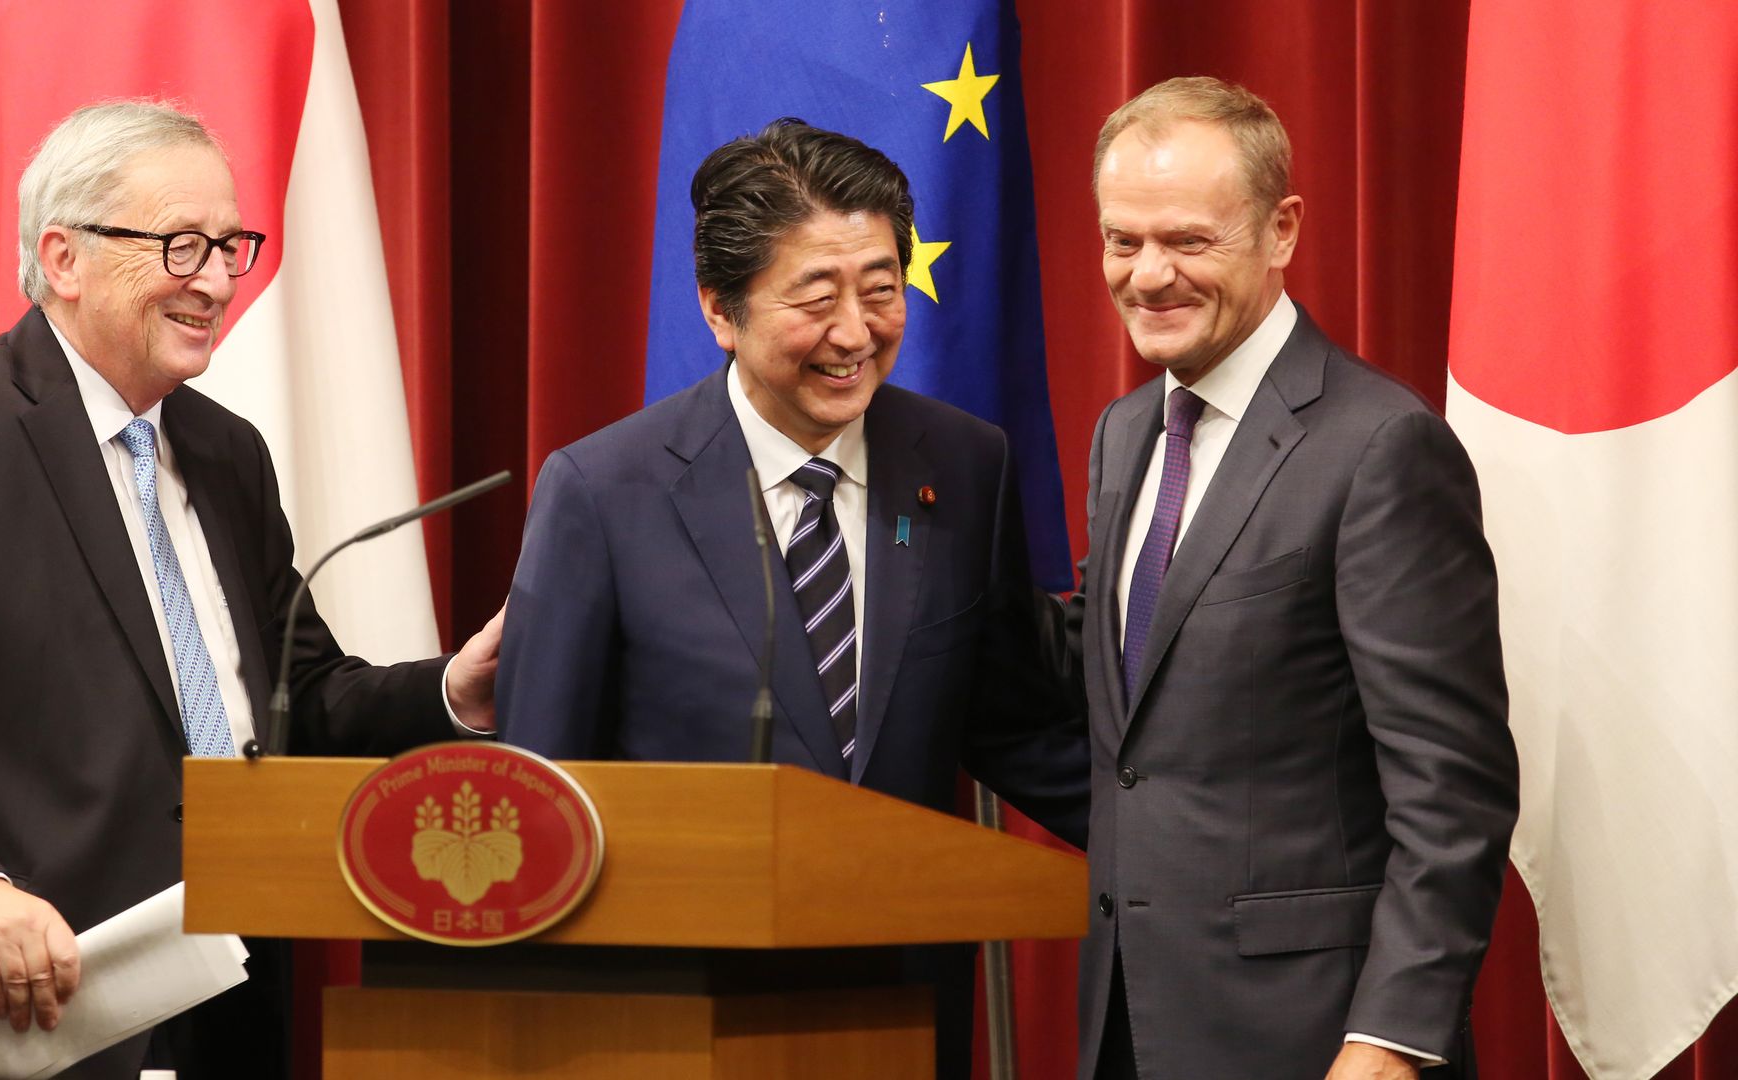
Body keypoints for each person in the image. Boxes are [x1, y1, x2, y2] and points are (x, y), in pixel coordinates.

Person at [0, 100, 498, 1080]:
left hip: (224, 994)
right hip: (12, 1011)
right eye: (183, 247)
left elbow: (294, 699)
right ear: (63, 257)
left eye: (232, 246)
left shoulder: (226, 452)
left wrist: (450, 693)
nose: (219, 282)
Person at [495, 118, 1088, 1078]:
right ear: (720, 311)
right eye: (816, 300)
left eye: (881, 292)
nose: (855, 334)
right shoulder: (604, 492)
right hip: (677, 1026)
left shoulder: (965, 465)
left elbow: (1014, 719)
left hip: (904, 1012)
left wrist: (1185, 846)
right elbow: (545, 791)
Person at [1062, 76, 1518, 1079]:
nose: (1147, 276)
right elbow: (1137, 719)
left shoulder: (1381, 447)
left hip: (1315, 1040)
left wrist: (1392, 1038)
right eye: (1122, 240)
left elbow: (1453, 788)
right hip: (1130, 1023)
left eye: (1186, 240)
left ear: (1281, 231)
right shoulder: (1124, 433)